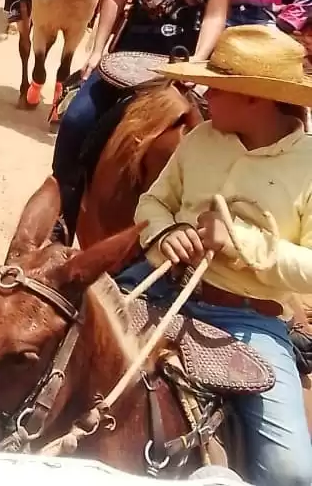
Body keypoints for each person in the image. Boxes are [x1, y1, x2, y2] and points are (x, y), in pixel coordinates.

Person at [119, 24, 312, 486]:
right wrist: (166, 234)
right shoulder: (201, 138)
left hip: (248, 319)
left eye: (218, 88)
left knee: (291, 475)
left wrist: (241, 242)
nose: (205, 94)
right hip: (161, 284)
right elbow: (154, 201)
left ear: (255, 99)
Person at [51, 0, 247, 236]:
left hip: (186, 62)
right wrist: (96, 50)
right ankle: (62, 215)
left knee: (230, 139)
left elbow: (214, 15)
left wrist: (196, 64)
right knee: (76, 121)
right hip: (129, 56)